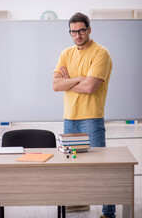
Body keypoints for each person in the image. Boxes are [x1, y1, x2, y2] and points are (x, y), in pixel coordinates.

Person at [52, 12, 115, 218]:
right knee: (72, 165)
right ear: (69, 33)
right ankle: (79, 202)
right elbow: (55, 85)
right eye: (73, 32)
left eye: (81, 30)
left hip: (91, 118)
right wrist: (79, 78)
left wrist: (69, 82)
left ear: (89, 29)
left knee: (101, 168)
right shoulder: (66, 54)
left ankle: (108, 212)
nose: (77, 35)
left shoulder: (101, 53)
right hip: (69, 119)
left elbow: (90, 88)